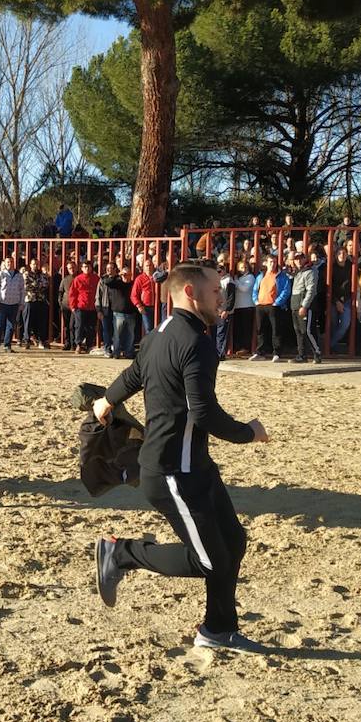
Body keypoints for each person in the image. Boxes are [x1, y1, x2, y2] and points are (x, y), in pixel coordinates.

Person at [92, 262, 271, 653]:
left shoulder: (159, 334)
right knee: (208, 560)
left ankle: (218, 629)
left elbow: (134, 374)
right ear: (189, 292)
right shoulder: (196, 342)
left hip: (194, 467)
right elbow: (203, 413)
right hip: (172, 473)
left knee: (232, 541)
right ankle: (120, 553)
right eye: (214, 292)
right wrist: (249, 432)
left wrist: (106, 399)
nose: (221, 298)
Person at [249, 255, 288, 362]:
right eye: (271, 262)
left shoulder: (281, 276)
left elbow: (285, 290)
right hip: (261, 305)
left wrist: (277, 302)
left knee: (276, 330)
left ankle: (277, 353)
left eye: (275, 262)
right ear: (266, 263)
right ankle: (260, 352)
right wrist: (256, 301)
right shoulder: (261, 276)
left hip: (274, 306)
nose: (273, 264)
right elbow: (255, 290)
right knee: (260, 329)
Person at [288, 251, 322, 363]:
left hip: (304, 305)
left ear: (304, 259)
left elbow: (311, 290)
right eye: (296, 259)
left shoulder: (310, 271)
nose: (298, 261)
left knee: (307, 331)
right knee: (298, 331)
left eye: (300, 258)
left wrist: (304, 305)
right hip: (295, 304)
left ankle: (317, 353)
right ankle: (301, 355)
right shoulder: (298, 272)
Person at [0, 255, 25, 353]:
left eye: (11, 262)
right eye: (8, 262)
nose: (10, 264)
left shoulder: (19, 275)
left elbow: (22, 290)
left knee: (11, 326)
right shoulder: (0, 274)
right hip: (2, 304)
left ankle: (7, 345)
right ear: (5, 263)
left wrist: (21, 303)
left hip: (14, 304)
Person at [68, 259, 99, 354]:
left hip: (92, 307)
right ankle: (79, 344)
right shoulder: (78, 279)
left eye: (88, 267)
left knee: (91, 327)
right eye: (84, 267)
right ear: (81, 268)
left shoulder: (96, 278)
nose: (86, 269)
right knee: (79, 326)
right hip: (80, 307)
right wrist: (73, 306)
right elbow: (72, 293)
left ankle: (89, 345)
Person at [21, 256, 50, 349]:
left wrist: (36, 285)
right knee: (28, 321)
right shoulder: (26, 274)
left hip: (41, 300)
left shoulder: (42, 275)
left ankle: (41, 340)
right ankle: (27, 340)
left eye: (37, 264)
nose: (35, 266)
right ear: (30, 265)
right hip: (30, 300)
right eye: (34, 264)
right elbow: (26, 286)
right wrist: (38, 286)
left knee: (41, 322)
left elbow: (45, 285)